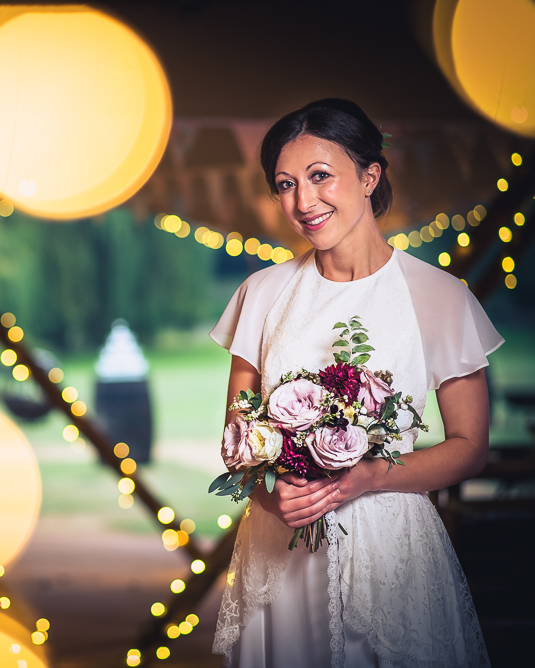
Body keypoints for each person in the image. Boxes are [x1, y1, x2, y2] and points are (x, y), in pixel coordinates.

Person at [209, 99, 501, 667]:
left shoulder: (439, 296)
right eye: (285, 184)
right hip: (280, 548)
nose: (303, 202)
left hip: (394, 548)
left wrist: (368, 477)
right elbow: (237, 438)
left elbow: (471, 447)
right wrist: (274, 491)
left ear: (370, 176)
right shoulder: (262, 294)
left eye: (321, 176)